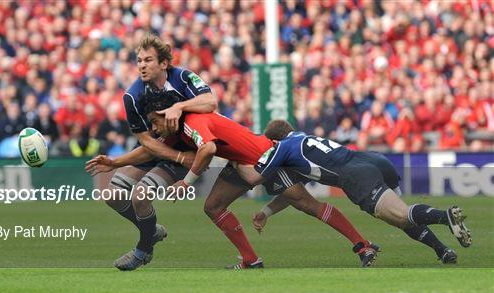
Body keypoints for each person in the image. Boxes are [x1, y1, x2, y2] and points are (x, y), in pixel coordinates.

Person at [91, 90, 381, 268]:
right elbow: (150, 150)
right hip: (243, 162)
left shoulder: (192, 122)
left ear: (168, 113)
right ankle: (250, 260)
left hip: (264, 157)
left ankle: (362, 244)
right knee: (213, 206)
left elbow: (209, 148)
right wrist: (115, 162)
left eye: (154, 121)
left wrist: (186, 182)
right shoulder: (177, 129)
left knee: (306, 204)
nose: (154, 128)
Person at [86, 33, 261, 271]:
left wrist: (178, 107)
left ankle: (143, 249)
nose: (142, 66)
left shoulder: (183, 77)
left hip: (187, 143)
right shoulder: (133, 96)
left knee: (140, 196)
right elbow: (147, 142)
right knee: (113, 195)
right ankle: (150, 230)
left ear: (164, 63)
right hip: (162, 148)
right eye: (139, 61)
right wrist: (117, 162)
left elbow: (210, 102)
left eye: (148, 60)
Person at [236, 120, 472, 264]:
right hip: (373, 160)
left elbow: (255, 178)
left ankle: (445, 216)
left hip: (355, 176)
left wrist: (236, 160)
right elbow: (293, 194)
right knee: (402, 218)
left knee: (401, 214)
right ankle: (442, 250)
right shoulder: (302, 140)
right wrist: (267, 211)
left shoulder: (282, 148)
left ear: (274, 141)